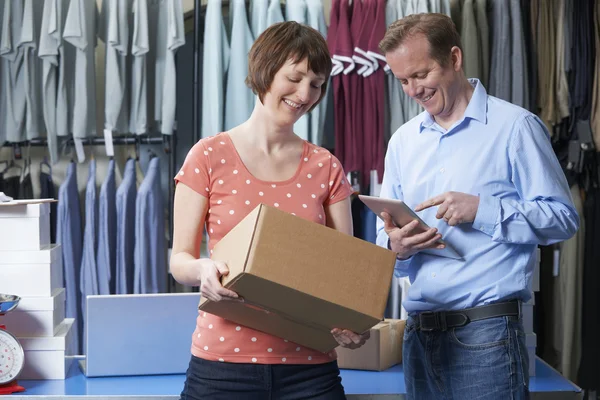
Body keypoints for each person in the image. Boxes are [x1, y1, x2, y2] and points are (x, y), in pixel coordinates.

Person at [376, 13, 579, 400]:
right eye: (402, 80)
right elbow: (383, 241)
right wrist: (396, 247)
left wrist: (482, 210)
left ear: (454, 58)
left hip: (486, 337)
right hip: (417, 335)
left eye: (421, 74)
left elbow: (563, 219)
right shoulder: (402, 142)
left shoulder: (516, 127)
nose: (413, 90)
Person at [171, 21, 369, 400]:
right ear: (264, 70)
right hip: (221, 368)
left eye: (317, 83)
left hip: (311, 372)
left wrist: (353, 325)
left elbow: (349, 273)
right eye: (294, 78)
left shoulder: (326, 166)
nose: (305, 93)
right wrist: (203, 270)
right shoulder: (208, 156)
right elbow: (180, 259)